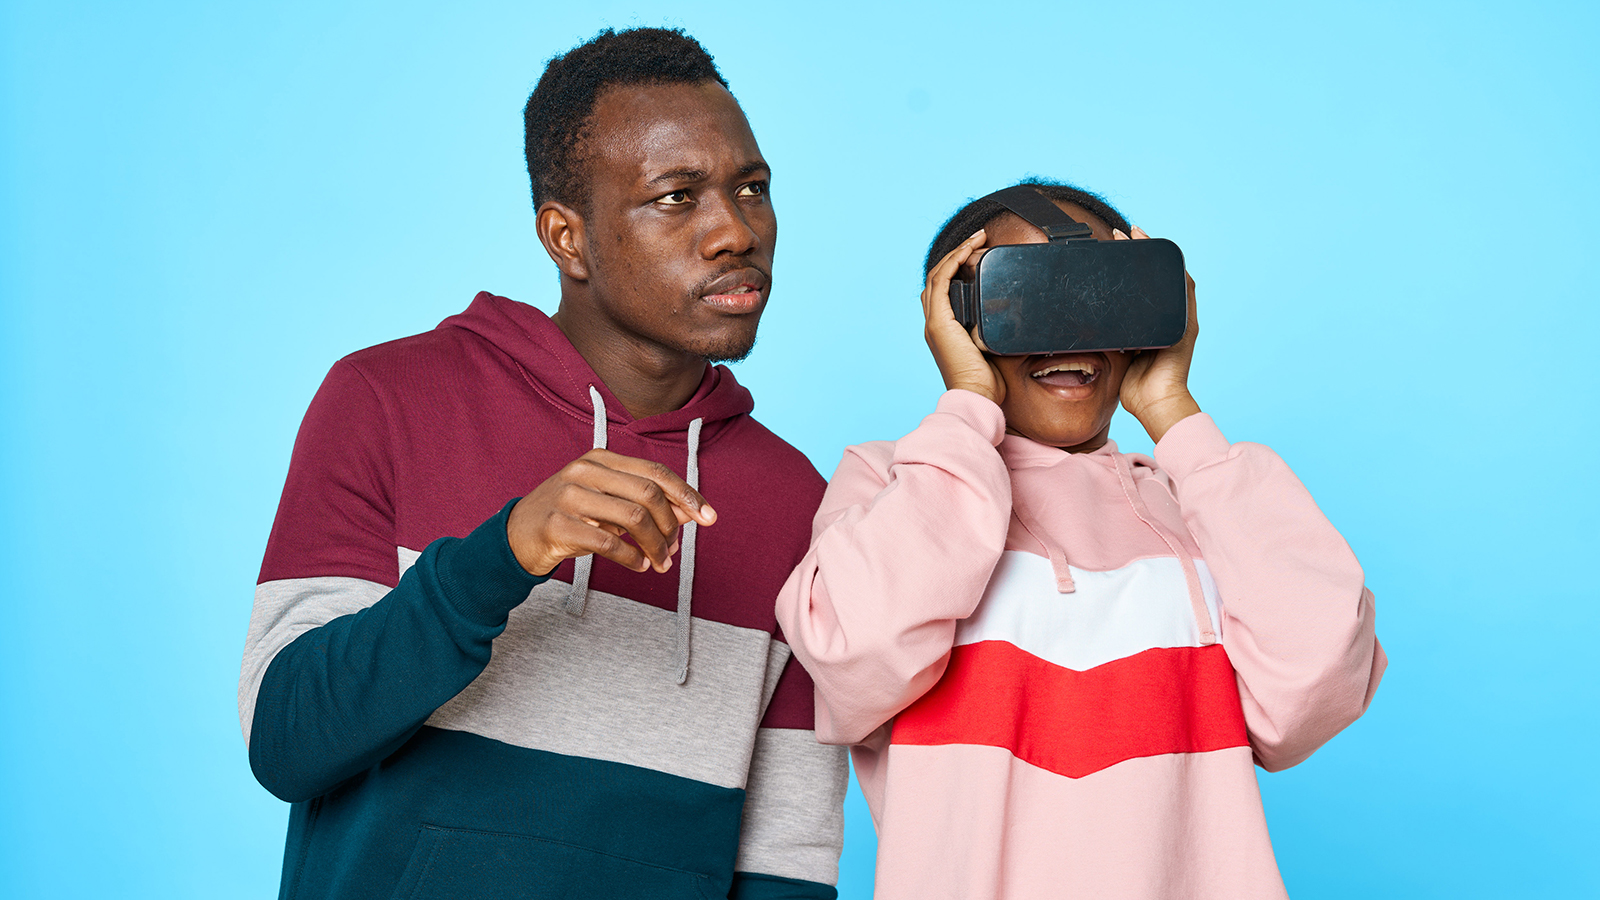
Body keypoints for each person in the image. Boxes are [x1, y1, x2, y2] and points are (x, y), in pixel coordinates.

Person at [238, 27, 845, 900]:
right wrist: (503, 554)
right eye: (678, 197)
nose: (734, 232)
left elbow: (785, 857)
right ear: (567, 238)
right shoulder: (387, 399)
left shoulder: (795, 501)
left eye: (751, 189)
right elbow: (288, 739)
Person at [775, 181, 1386, 899]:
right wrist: (966, 407)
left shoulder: (1202, 503)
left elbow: (1314, 687)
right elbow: (856, 654)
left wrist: (1175, 416)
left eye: (1102, 297)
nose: (1071, 332)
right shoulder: (896, 486)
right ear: (956, 322)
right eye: (1026, 302)